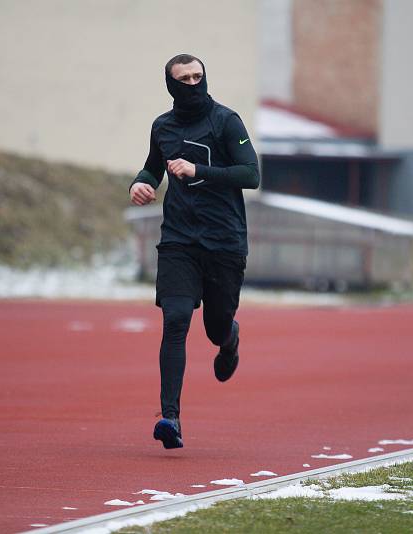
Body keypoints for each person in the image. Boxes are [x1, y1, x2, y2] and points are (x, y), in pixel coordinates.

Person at [129, 53, 260, 449]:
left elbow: (250, 174)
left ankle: (229, 338)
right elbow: (154, 166)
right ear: (171, 85)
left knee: (215, 327)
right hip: (179, 241)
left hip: (224, 242)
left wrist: (198, 170)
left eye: (197, 76)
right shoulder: (163, 126)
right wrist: (141, 182)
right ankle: (170, 418)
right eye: (183, 78)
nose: (192, 83)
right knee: (176, 319)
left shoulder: (226, 121)